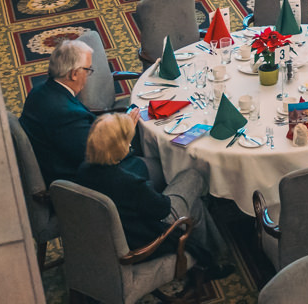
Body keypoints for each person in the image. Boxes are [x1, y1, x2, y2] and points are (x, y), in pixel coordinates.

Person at [76, 114, 234, 282]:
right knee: (193, 176)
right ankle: (215, 254)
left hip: (112, 232)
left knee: (196, 206)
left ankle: (215, 258)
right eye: (128, 142)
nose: (130, 144)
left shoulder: (83, 170)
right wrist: (148, 188)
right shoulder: (129, 183)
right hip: (145, 234)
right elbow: (162, 209)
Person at [20, 38, 111, 185]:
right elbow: (96, 157)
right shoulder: (66, 114)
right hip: (79, 181)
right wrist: (125, 138)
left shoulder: (38, 91)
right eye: (88, 70)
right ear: (74, 74)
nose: (88, 76)